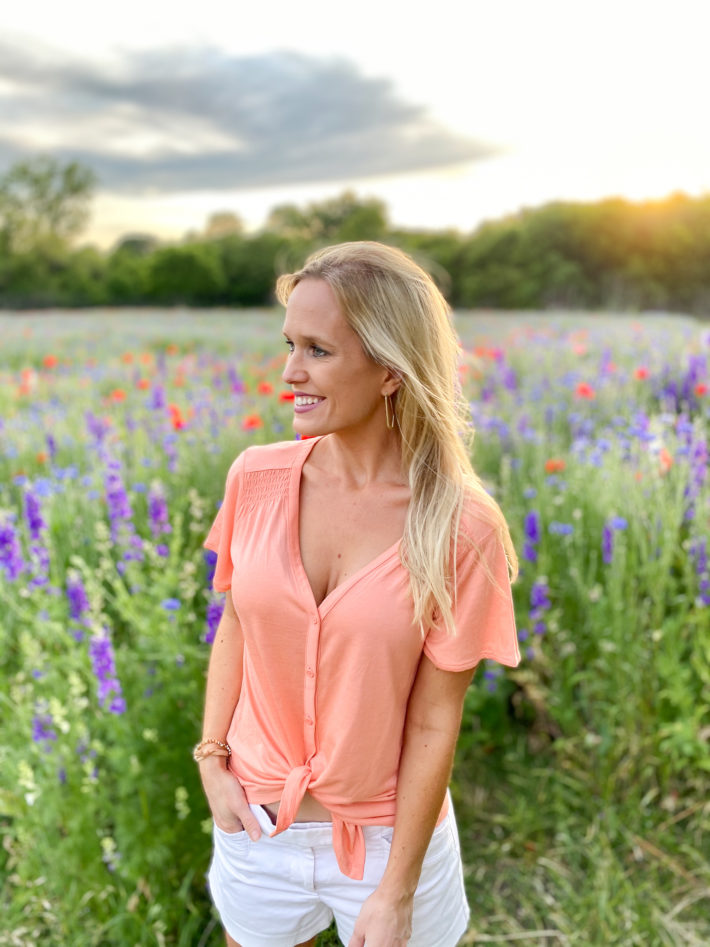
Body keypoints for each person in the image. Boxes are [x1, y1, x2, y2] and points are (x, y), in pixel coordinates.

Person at [197, 241, 520, 947]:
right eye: (289, 344)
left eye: (317, 350)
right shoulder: (256, 476)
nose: (289, 373)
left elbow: (436, 720)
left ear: (389, 370)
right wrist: (212, 759)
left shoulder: (461, 525)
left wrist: (395, 889)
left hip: (388, 840)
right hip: (257, 820)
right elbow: (236, 628)